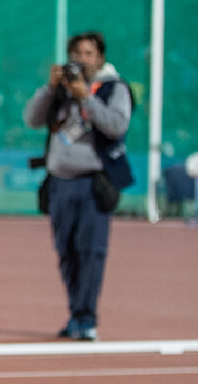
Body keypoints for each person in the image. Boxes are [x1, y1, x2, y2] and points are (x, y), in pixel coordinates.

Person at [22, 31, 133, 342]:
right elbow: (32, 119)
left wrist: (86, 96)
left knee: (91, 252)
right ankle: (76, 313)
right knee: (66, 252)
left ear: (99, 58)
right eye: (76, 54)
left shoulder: (113, 88)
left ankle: (86, 318)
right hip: (59, 182)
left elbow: (116, 126)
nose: (80, 60)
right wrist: (50, 87)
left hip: (93, 183)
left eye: (87, 54)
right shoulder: (59, 90)